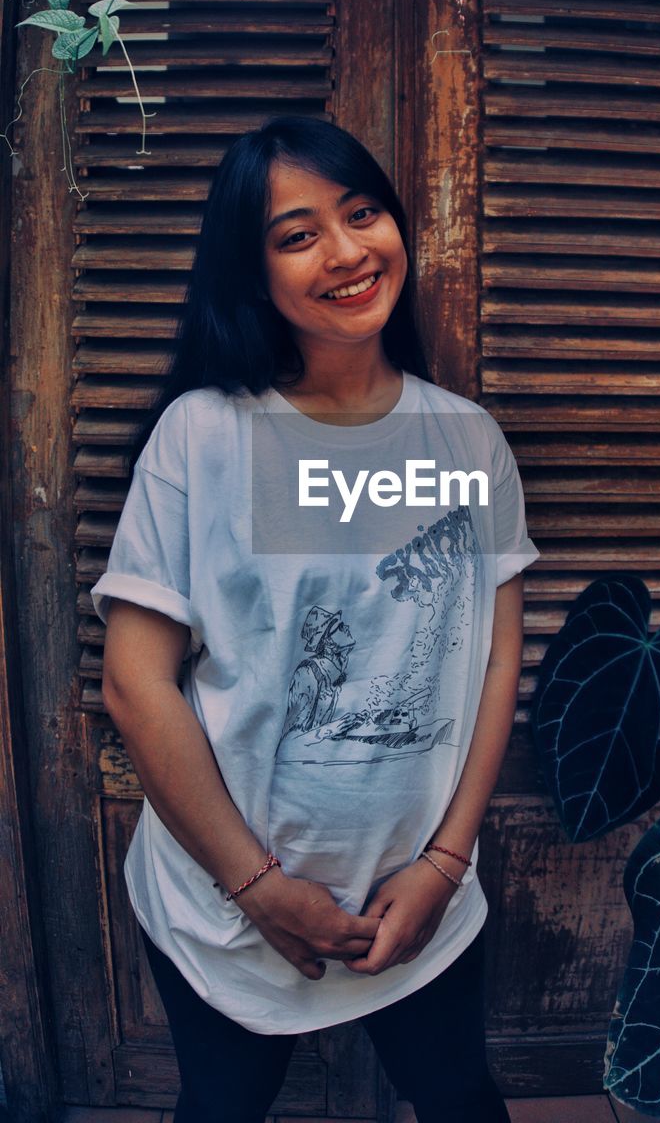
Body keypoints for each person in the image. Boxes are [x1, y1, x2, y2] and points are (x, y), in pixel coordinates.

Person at [91, 114, 540, 1123]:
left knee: (462, 1096)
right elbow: (136, 678)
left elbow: (499, 655)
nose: (345, 252)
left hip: (418, 892)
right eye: (297, 234)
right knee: (221, 1105)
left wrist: (444, 861)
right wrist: (256, 885)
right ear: (253, 275)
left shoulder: (466, 441)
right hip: (224, 903)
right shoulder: (203, 435)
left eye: (361, 212)